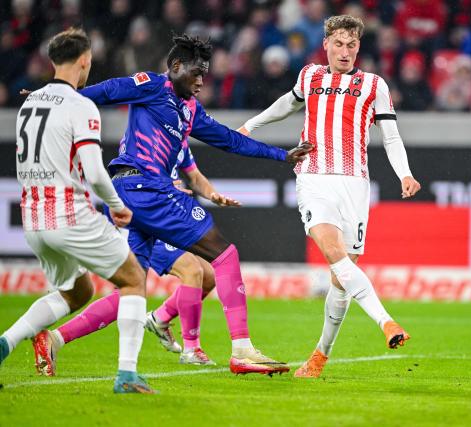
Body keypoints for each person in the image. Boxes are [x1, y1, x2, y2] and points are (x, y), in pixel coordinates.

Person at [76, 34, 312, 374]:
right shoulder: (152, 86)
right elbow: (110, 90)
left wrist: (282, 155)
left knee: (132, 284)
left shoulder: (189, 111)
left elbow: (229, 140)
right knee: (224, 254)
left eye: (205, 74)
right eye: (196, 72)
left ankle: (54, 339)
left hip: (134, 194)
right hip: (146, 187)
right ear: (175, 67)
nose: (202, 81)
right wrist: (60, 98)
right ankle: (242, 349)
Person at [237, 15, 421, 378]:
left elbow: (392, 136)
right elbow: (286, 105)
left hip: (354, 183)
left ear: (358, 48)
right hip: (313, 176)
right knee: (332, 250)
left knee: (342, 278)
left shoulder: (373, 85)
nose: (345, 51)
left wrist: (405, 173)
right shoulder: (310, 76)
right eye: (338, 44)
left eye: (351, 45)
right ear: (326, 45)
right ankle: (386, 322)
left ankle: (320, 355)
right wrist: (251, 126)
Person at [0, 28, 155, 394]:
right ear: (85, 61)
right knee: (133, 279)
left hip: (33, 218)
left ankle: (5, 342)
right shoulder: (80, 105)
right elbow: (95, 170)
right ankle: (127, 375)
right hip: (68, 214)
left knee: (78, 292)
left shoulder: (30, 102)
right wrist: (117, 207)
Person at [32, 144, 235, 373]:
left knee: (207, 276)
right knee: (186, 273)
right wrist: (164, 186)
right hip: (144, 212)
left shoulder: (180, 138)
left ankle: (159, 318)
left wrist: (208, 193)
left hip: (162, 212)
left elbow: (194, 175)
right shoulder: (148, 129)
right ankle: (191, 350)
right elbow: (130, 171)